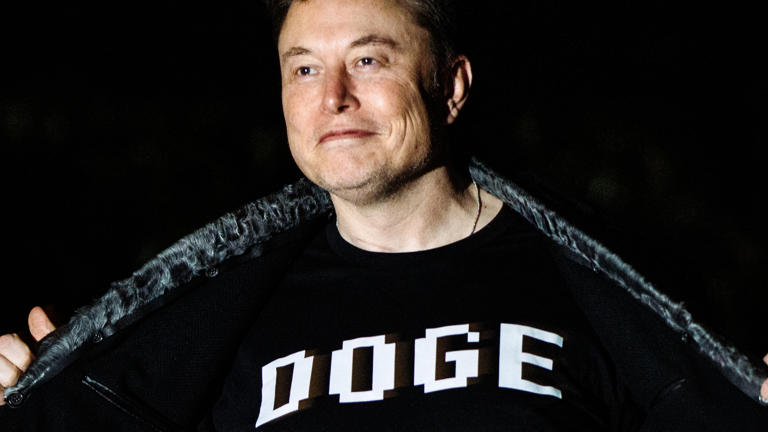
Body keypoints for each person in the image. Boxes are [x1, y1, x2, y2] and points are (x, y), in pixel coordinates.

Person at [1, 0, 767, 430]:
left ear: (452, 86)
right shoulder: (213, 318)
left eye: (368, 60)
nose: (333, 97)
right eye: (305, 68)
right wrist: (29, 404)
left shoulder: (599, 287)